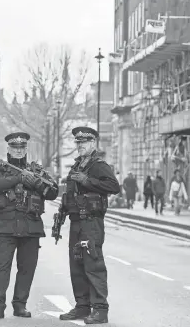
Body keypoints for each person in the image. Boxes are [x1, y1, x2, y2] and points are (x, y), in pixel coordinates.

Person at [0, 132, 58, 320]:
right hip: (6, 226)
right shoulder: (0, 168)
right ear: (9, 149)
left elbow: (53, 191)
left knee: (27, 268)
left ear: (26, 149)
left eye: (21, 147)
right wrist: (19, 178)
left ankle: (20, 305)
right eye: (14, 147)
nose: (18, 151)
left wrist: (35, 182)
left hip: (31, 226)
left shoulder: (36, 169)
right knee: (2, 267)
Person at [59, 127, 120, 324]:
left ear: (93, 143)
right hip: (76, 222)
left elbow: (113, 186)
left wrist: (88, 180)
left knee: (93, 265)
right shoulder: (77, 165)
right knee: (76, 265)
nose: (80, 146)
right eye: (78, 143)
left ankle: (100, 309)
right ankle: (82, 306)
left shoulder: (97, 165)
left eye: (84, 142)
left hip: (91, 222)